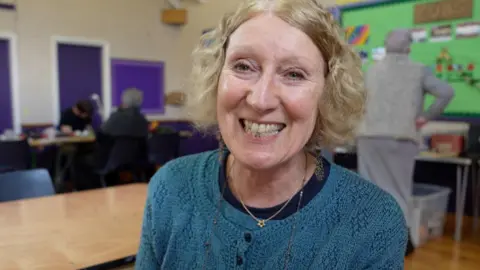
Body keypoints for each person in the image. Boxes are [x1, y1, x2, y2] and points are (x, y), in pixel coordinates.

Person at [136, 1, 407, 269]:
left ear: (328, 94)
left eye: (293, 74)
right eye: (243, 66)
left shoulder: (373, 220)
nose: (261, 100)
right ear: (216, 78)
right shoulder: (169, 188)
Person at [357, 29, 454, 256]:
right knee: (398, 191)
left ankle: (370, 240)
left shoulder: (371, 71)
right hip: (402, 137)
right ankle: (402, 242)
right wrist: (426, 117)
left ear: (386, 45)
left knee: (370, 189)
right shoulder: (419, 70)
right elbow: (447, 92)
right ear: (408, 47)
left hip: (369, 136)